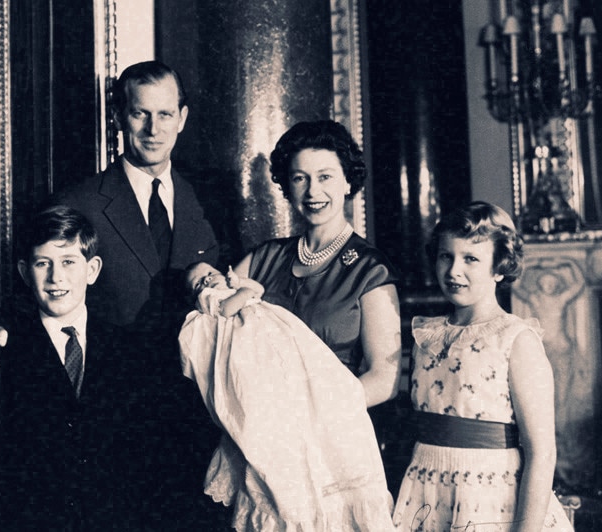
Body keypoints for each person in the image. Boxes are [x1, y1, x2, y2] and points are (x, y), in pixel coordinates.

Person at [0, 61, 224, 530]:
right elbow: (43, 289)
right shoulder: (79, 201)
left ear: (183, 118)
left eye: (166, 114)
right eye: (140, 114)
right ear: (119, 117)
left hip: (196, 413)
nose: (153, 128)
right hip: (117, 423)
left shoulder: (206, 199)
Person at [222, 120, 403, 527]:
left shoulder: (369, 270)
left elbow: (385, 378)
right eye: (300, 178)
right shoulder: (263, 258)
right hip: (265, 444)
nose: (312, 191)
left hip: (335, 444)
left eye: (325, 177)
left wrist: (311, 410)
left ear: (346, 183)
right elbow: (216, 326)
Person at [391, 201, 574, 531]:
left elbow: (542, 452)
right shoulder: (426, 335)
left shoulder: (516, 339)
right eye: (446, 256)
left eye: (470, 259)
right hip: (426, 490)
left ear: (499, 267)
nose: (453, 270)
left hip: (491, 496)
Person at [179, 262, 394, 530]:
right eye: (198, 282)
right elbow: (226, 308)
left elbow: (257, 288)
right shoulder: (210, 299)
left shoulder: (237, 288)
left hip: (281, 342)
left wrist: (240, 283)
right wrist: (240, 292)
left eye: (210, 273)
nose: (207, 281)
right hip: (249, 351)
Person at [0, 205, 129, 530]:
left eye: (69, 262)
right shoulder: (1, 350)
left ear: (92, 270)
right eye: (43, 264)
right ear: (25, 273)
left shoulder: (128, 349)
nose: (56, 277)